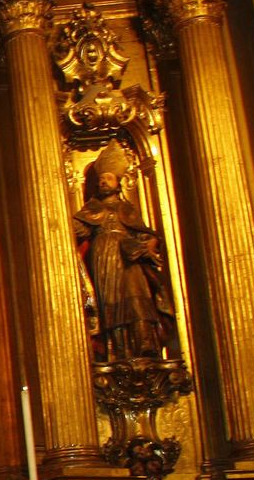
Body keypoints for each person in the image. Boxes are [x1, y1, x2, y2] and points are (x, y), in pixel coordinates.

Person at [71, 141, 176, 361]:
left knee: (137, 298)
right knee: (109, 303)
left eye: (107, 178)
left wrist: (149, 244)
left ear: (118, 182)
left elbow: (143, 232)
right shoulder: (93, 209)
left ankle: (145, 344)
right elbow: (77, 227)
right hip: (104, 257)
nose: (102, 182)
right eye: (100, 179)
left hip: (130, 259)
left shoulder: (127, 209)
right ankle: (116, 351)